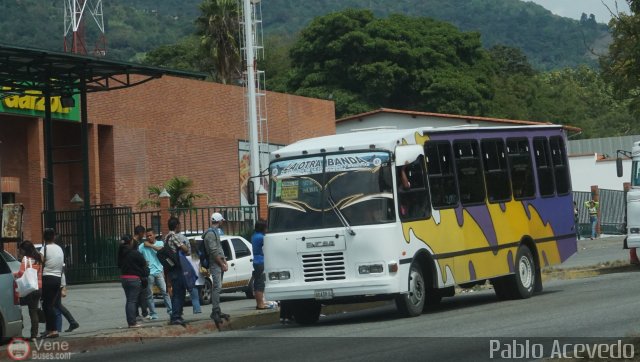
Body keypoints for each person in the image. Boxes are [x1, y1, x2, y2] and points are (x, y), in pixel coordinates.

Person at [203, 213, 229, 328]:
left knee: (218, 287)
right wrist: (221, 264)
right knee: (217, 287)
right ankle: (215, 311)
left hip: (219, 262)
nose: (223, 222)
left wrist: (224, 261)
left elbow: (219, 248)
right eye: (222, 220)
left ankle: (218, 310)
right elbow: (213, 252)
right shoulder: (210, 234)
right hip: (215, 263)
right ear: (219, 221)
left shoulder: (215, 232)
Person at [139, 228, 172, 320]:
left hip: (159, 271)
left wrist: (149, 245)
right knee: (149, 294)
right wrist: (143, 263)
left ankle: (170, 310)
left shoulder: (160, 243)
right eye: (147, 236)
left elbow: (160, 250)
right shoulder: (142, 246)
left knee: (165, 292)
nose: (149, 237)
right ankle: (153, 313)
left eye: (150, 235)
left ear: (154, 235)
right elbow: (137, 255)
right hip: (149, 273)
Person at [117, 234, 148, 328]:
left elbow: (119, 265)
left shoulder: (121, 253)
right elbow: (144, 263)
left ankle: (131, 321)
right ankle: (132, 322)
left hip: (124, 278)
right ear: (130, 242)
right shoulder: (134, 253)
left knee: (129, 300)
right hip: (134, 279)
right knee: (132, 301)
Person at [15, 240, 43, 340]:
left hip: (29, 289)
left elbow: (21, 274)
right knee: (34, 310)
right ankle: (34, 335)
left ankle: (23, 331)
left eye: (21, 249)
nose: (20, 251)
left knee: (19, 307)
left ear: (24, 249)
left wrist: (15, 274)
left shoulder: (25, 259)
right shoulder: (38, 258)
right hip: (39, 287)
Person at [165, 216, 190, 326]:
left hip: (170, 268)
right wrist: (185, 247)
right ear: (176, 226)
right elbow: (185, 249)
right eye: (179, 225)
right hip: (176, 268)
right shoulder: (173, 236)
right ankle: (176, 317)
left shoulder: (165, 237)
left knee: (177, 292)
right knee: (178, 293)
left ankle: (177, 315)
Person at [40, 228, 64, 339]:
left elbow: (40, 263)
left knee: (47, 305)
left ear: (44, 237)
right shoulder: (59, 249)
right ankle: (50, 329)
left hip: (47, 278)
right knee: (50, 304)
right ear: (54, 237)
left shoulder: (44, 249)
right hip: (57, 279)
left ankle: (53, 330)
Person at [251, 221, 275, 310]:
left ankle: (259, 303)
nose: (267, 229)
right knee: (260, 283)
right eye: (266, 227)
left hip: (256, 261)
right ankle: (261, 304)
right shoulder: (261, 237)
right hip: (260, 261)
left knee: (257, 283)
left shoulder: (254, 236)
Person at [132, 225, 150, 321]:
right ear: (140, 233)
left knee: (139, 295)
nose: (144, 236)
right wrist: (143, 262)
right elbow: (136, 257)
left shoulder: (135, 243)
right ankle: (143, 313)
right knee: (141, 294)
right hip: (138, 272)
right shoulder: (134, 243)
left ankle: (139, 314)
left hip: (136, 272)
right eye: (143, 233)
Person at [187, 239, 204, 314]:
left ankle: (197, 311)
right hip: (201, 279)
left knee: (194, 298)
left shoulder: (187, 257)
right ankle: (196, 310)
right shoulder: (200, 255)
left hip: (192, 280)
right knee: (198, 296)